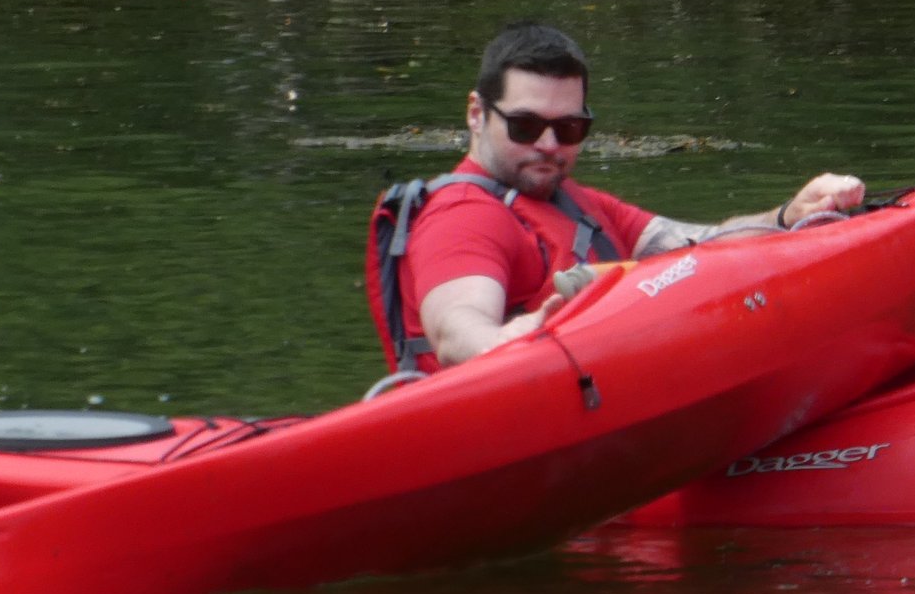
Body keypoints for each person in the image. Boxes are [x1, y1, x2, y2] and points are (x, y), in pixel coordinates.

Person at [365, 21, 865, 373]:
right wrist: (508, 341)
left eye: (569, 127)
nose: (548, 144)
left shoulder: (579, 205)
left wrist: (788, 218)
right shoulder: (461, 217)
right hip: (500, 435)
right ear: (477, 113)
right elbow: (455, 331)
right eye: (525, 124)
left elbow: (700, 248)